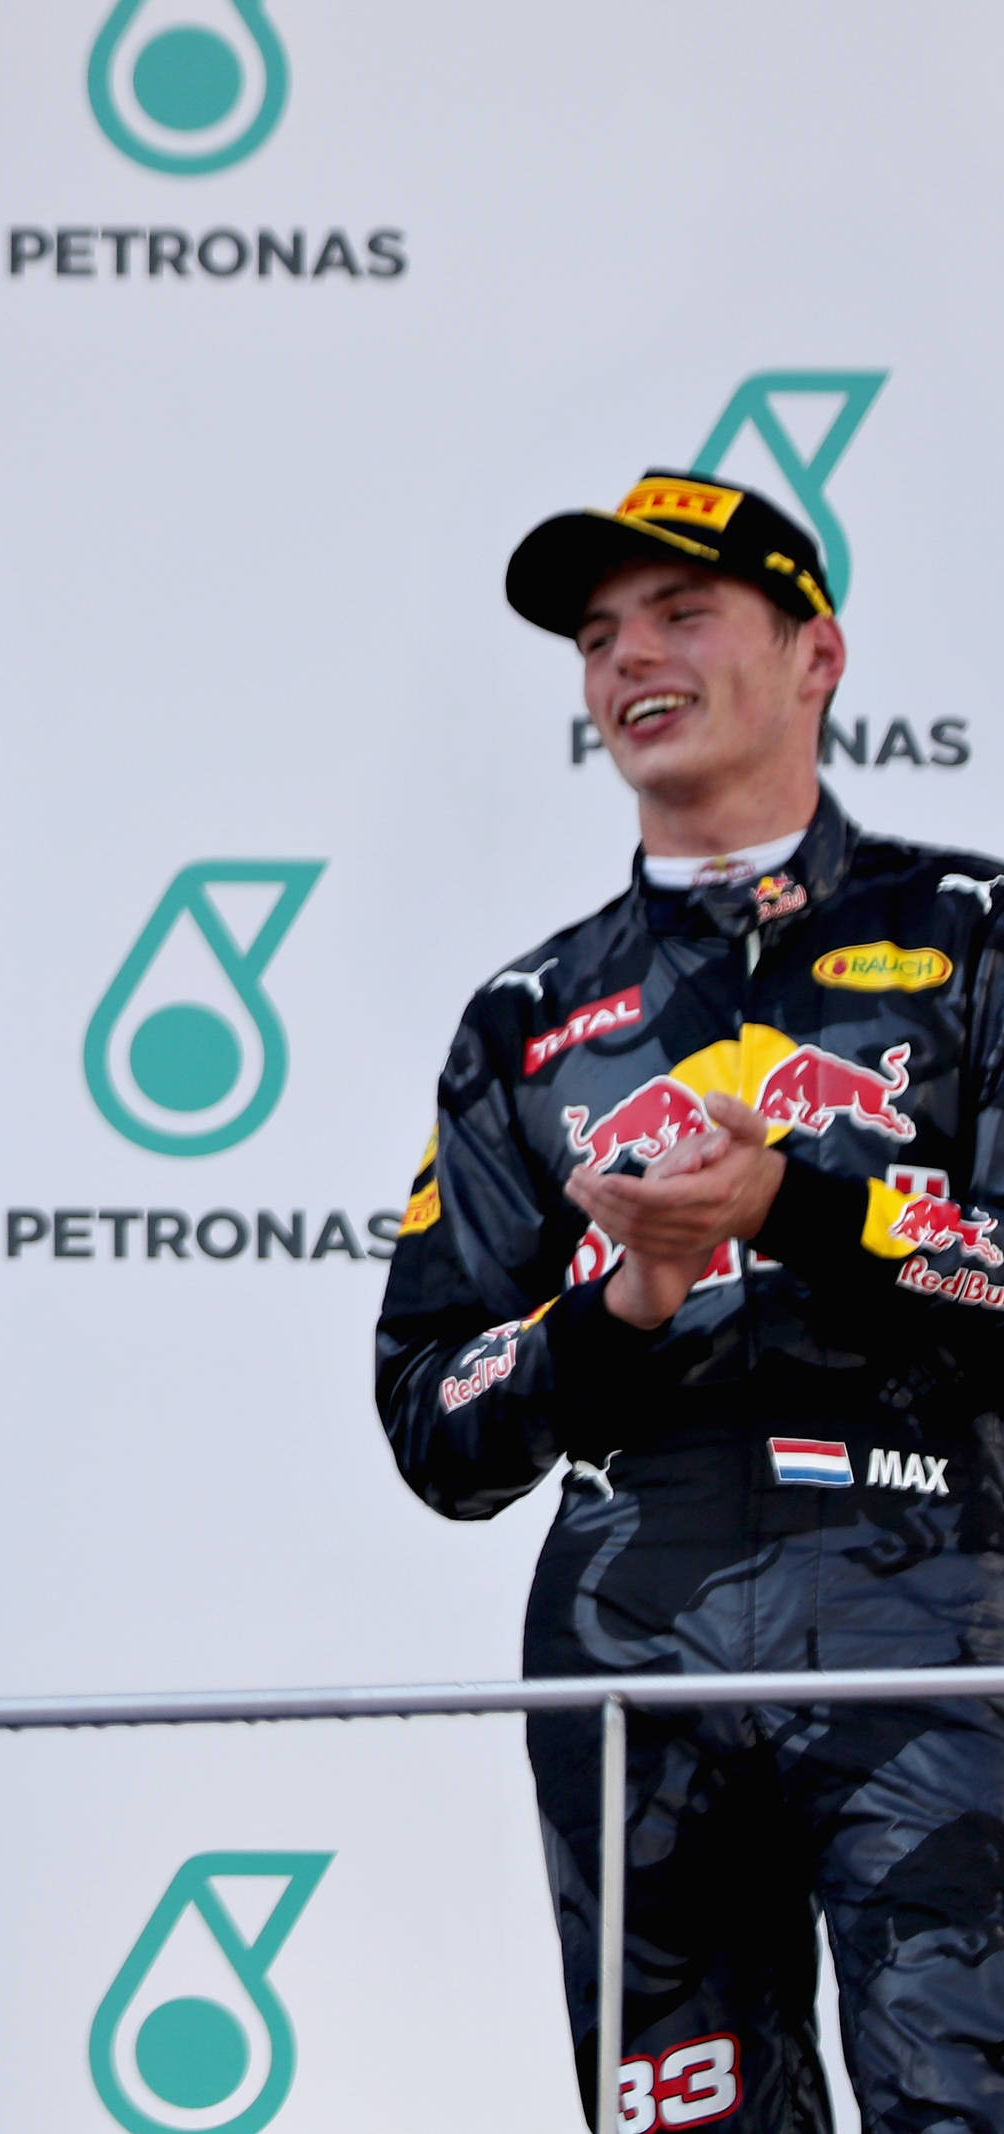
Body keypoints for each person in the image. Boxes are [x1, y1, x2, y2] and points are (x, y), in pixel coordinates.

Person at [377, 470, 1004, 2129]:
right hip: (627, 1651)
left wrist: (797, 1201)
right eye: (597, 635)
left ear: (818, 654)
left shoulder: (976, 933)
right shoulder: (528, 1015)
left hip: (940, 1634)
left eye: (680, 613)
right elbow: (435, 1426)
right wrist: (621, 1304)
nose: (628, 660)